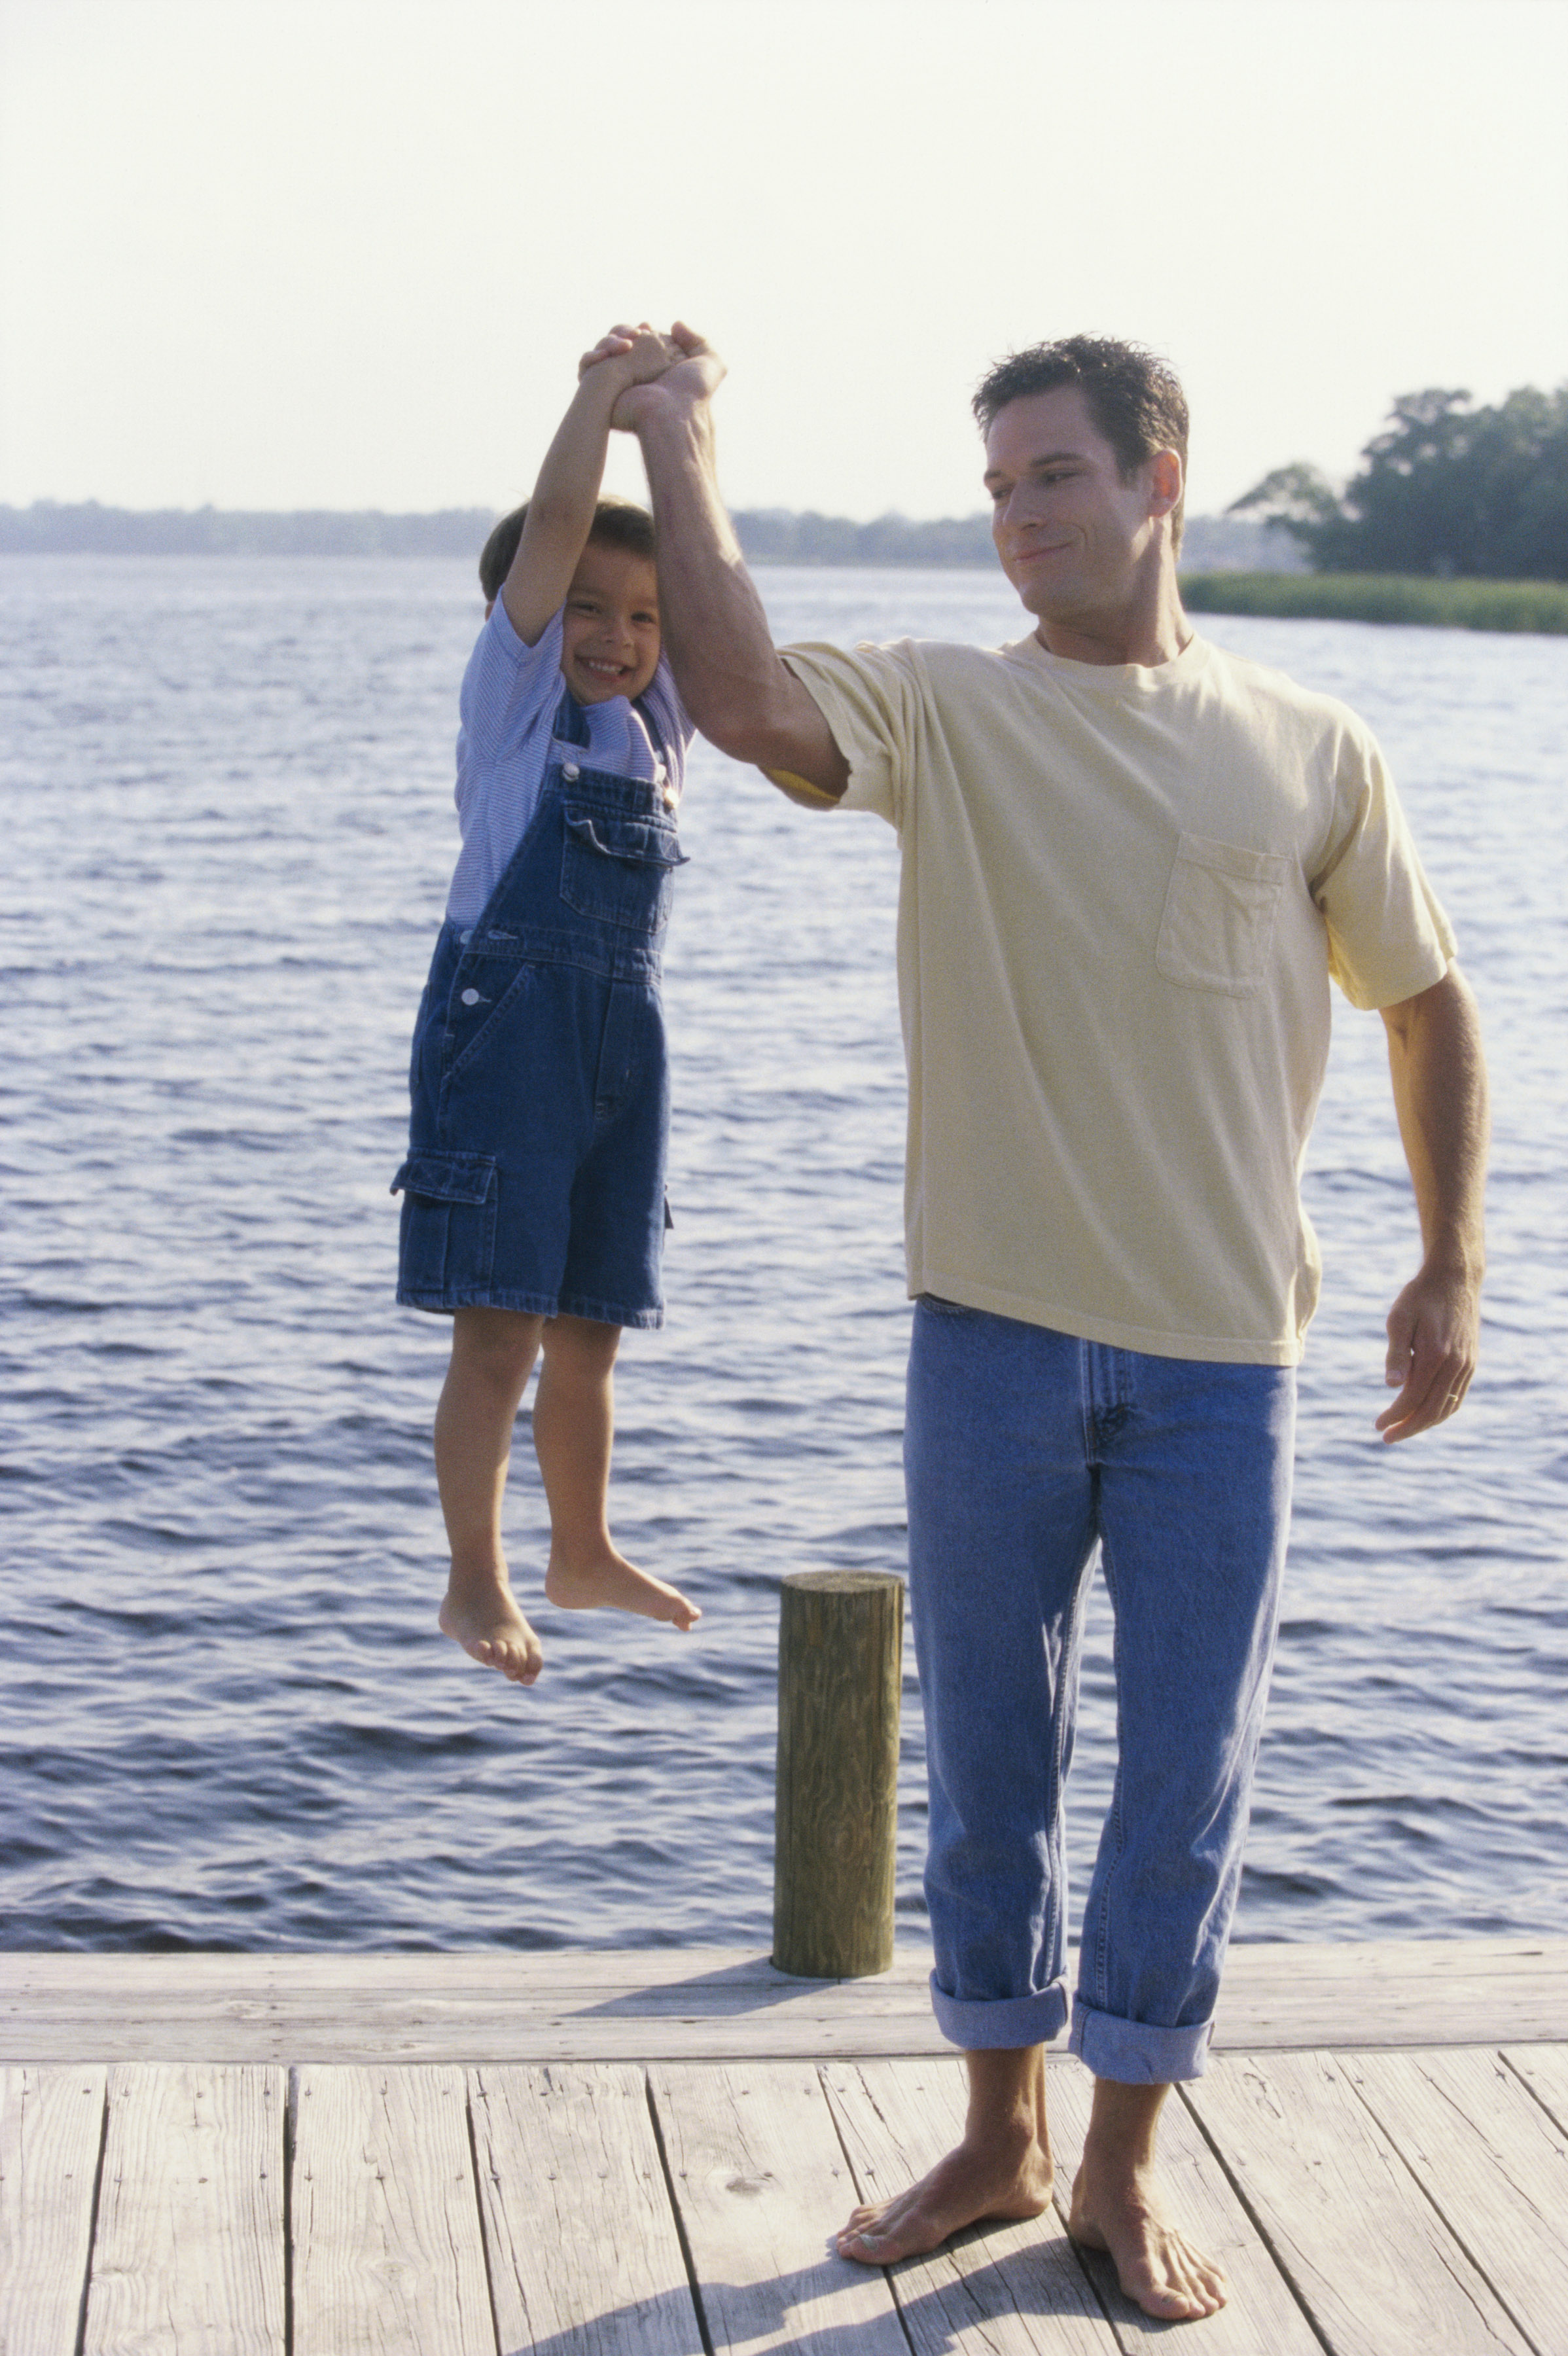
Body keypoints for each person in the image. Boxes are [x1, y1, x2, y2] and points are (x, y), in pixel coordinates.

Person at [618, 325, 1488, 2321]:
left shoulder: (1307, 741)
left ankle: (1112, 2170)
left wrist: (1446, 1262)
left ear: (1156, 476)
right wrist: (683, 437)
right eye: (996, 486)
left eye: (1053, 477)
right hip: (989, 1340)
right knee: (993, 1764)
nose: (1018, 518)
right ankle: (994, 2136)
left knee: (1183, 1775)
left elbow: (1423, 1003)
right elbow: (738, 694)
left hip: (1218, 1368)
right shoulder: (940, 709)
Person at [393, 327, 701, 1691]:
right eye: (587, 608)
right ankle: (478, 1573)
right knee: (501, 1329)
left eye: (640, 620)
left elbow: (693, 573)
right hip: (503, 1027)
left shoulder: (662, 729)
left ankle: (582, 1546)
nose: (618, 638)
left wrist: (685, 422)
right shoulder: (513, 706)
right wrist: (598, 400)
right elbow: (564, 520)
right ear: (524, 615)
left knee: (589, 1330)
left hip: (616, 1047)